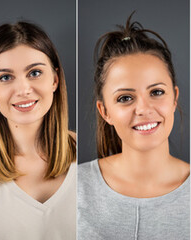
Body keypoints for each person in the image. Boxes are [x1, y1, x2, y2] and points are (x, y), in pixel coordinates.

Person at [78, 14, 189, 239]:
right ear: (105, 111)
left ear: (174, 98)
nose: (143, 109)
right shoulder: (74, 188)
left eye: (156, 92)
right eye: (125, 98)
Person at [0, 21, 76, 240]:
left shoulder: (92, 162)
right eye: (5, 77)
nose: (24, 89)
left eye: (34, 73)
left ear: (55, 79)